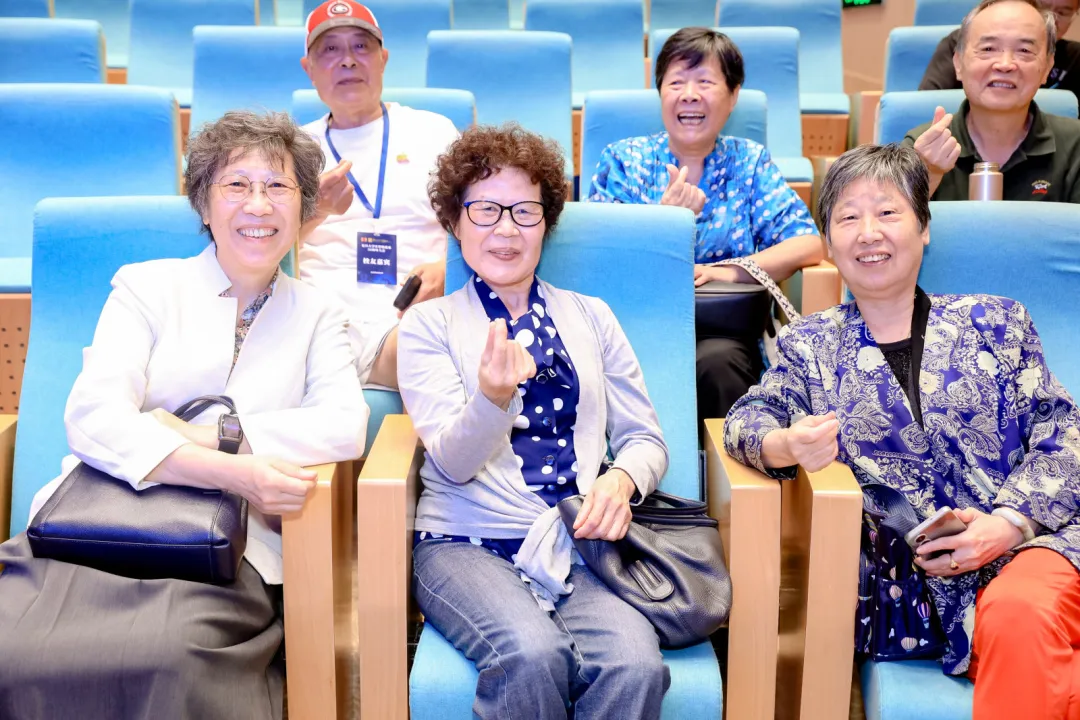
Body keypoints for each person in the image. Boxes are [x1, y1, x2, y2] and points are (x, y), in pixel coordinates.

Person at [0, 111, 368, 719]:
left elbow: (344, 425)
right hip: (90, 531)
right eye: (237, 185)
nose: (258, 205)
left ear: (304, 206)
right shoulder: (145, 288)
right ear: (204, 204)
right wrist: (235, 470)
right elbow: (93, 415)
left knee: (168, 657)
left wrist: (204, 433)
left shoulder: (319, 312)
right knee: (13, 649)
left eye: (278, 186)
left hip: (224, 555)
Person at [725, 143, 1080, 719]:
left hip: (1041, 545)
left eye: (888, 212)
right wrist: (785, 444)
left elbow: (1065, 434)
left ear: (924, 228)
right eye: (848, 217)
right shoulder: (810, 346)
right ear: (829, 243)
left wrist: (1009, 524)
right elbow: (745, 420)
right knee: (1030, 645)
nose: (869, 233)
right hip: (922, 593)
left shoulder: (996, 320)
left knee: (1020, 612)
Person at [398, 124, 671, 719]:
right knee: (531, 654)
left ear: (546, 223)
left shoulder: (592, 316)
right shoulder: (427, 326)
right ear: (455, 222)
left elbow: (645, 439)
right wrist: (493, 398)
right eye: (485, 210)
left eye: (525, 211)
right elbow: (453, 462)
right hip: (463, 542)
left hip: (578, 539)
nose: (506, 229)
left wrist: (621, 480)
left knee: (635, 667)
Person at [586, 27, 824, 422]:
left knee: (720, 364)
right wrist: (665, 223)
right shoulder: (624, 160)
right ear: (660, 93)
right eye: (676, 82)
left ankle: (731, 462)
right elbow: (597, 257)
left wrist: (727, 271)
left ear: (733, 96)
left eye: (705, 82)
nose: (689, 94)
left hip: (723, 333)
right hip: (635, 328)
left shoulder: (749, 161)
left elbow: (807, 243)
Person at [299, 0, 459, 387]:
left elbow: (478, 220)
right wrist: (316, 211)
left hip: (416, 314)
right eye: (330, 49)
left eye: (361, 46)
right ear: (309, 69)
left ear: (383, 59)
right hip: (319, 318)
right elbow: (260, 246)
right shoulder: (293, 149)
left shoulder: (434, 132)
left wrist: (447, 268)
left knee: (431, 345)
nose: (348, 60)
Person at [905, 0, 1080, 202]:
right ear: (958, 64)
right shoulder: (921, 149)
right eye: (988, 49)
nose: (1005, 65)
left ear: (1047, 68)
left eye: (1024, 50)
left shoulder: (1075, 147)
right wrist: (928, 175)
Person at [919, 0, 1080, 103]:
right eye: (989, 49)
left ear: (1047, 66)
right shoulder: (957, 43)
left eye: (1063, 12)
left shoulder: (1075, 55)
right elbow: (927, 105)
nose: (1051, 19)